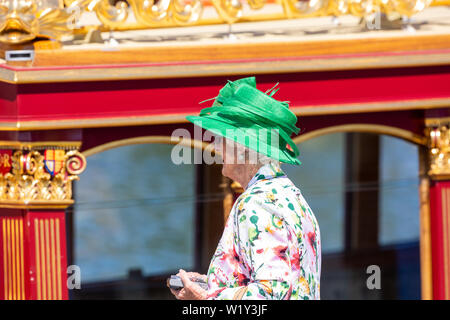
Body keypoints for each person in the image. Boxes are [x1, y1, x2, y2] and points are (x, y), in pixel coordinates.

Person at [168, 76, 321, 300]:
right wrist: (211, 285)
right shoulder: (290, 194)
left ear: (243, 149)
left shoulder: (256, 203)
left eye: (221, 139)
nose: (215, 147)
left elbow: (271, 294)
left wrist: (204, 299)